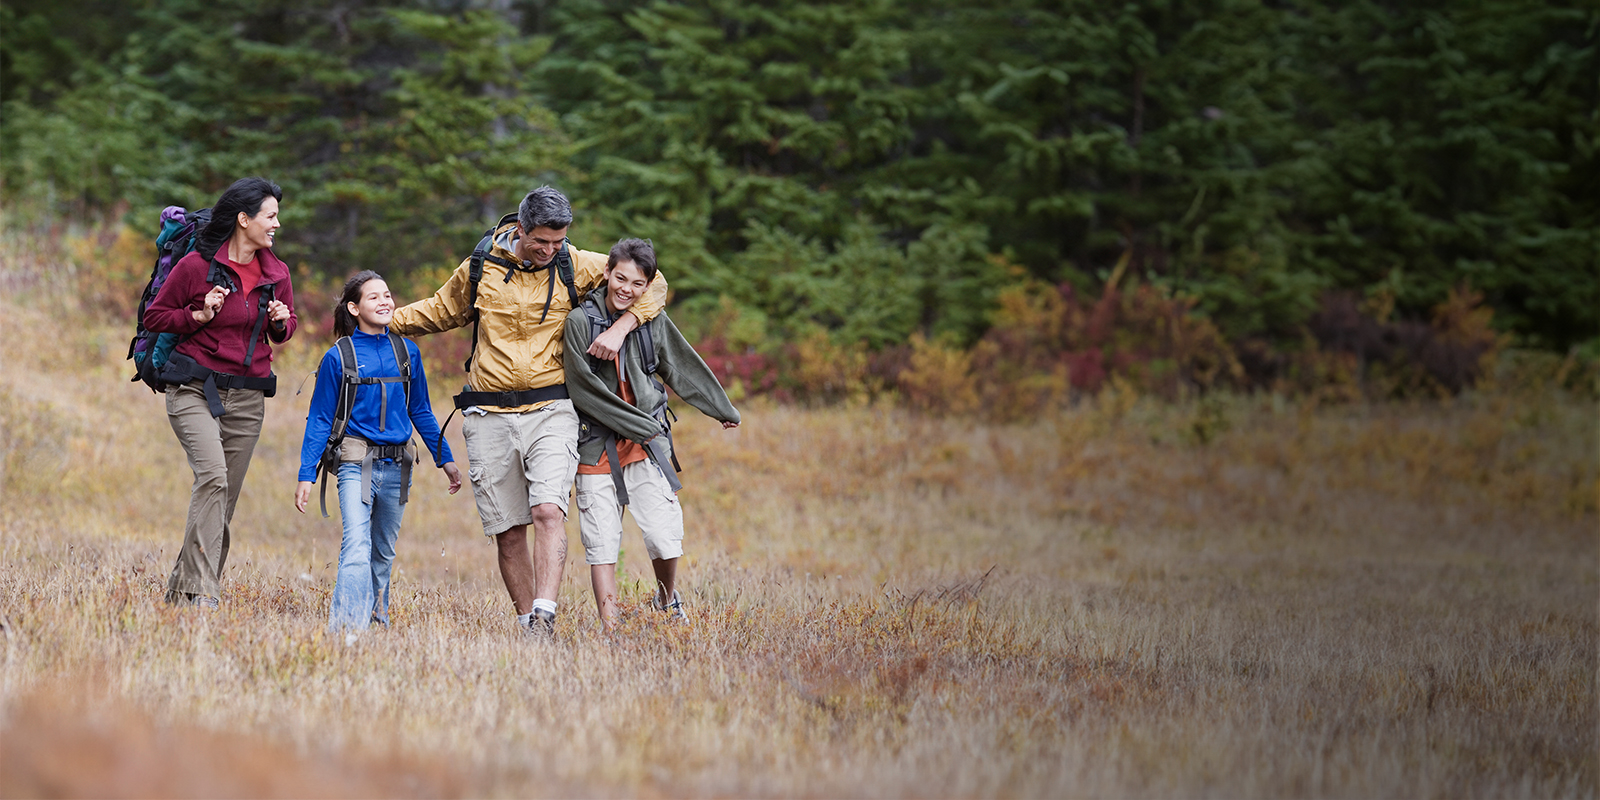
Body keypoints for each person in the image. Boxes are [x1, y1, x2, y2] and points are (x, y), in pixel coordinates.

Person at [388, 186, 668, 636]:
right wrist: (380, 321)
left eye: (558, 242)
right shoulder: (481, 266)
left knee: (548, 511)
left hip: (552, 408)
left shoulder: (573, 263)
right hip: (487, 414)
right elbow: (439, 311)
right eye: (542, 241)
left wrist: (623, 326)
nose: (550, 250)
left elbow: (653, 281)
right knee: (509, 529)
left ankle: (545, 612)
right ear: (520, 229)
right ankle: (527, 625)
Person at [563, 238, 739, 633]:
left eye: (637, 283)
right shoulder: (579, 322)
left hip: (645, 449)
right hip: (596, 446)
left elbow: (680, 363)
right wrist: (641, 426)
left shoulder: (650, 321)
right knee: (601, 543)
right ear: (606, 273)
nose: (626, 288)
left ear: (648, 286)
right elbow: (582, 388)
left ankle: (665, 599)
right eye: (620, 278)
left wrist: (720, 408)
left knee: (664, 535)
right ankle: (611, 630)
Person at [143, 177, 297, 607]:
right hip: (193, 387)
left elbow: (283, 331)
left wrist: (282, 320)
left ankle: (182, 591)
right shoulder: (195, 266)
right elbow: (156, 317)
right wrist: (198, 313)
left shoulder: (276, 273)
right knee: (212, 477)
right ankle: (202, 594)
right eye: (271, 216)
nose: (277, 224)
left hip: (248, 397)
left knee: (222, 499)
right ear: (243, 219)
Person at [294, 271, 463, 634]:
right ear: (354, 308)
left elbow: (421, 411)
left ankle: (377, 621)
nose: (385, 302)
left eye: (387, 295)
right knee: (356, 544)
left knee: (382, 553)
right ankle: (347, 631)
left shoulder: (407, 352)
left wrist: (445, 459)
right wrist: (306, 475)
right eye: (374, 297)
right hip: (355, 462)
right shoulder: (338, 357)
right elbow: (320, 418)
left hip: (398, 466)